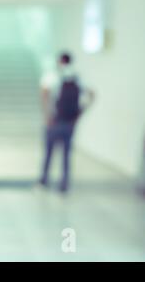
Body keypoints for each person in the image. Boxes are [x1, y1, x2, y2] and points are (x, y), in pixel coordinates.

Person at [39, 52, 95, 193]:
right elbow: (92, 94)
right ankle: (64, 183)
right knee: (66, 154)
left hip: (55, 120)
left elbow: (44, 94)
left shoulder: (53, 76)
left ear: (59, 61)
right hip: (70, 122)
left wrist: (47, 116)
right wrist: (79, 114)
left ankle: (44, 180)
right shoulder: (77, 78)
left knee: (49, 152)